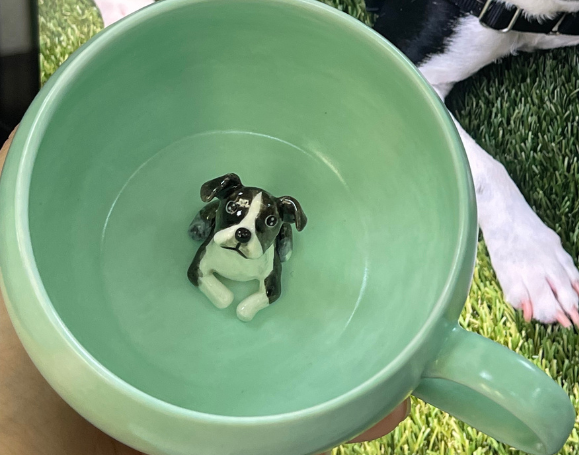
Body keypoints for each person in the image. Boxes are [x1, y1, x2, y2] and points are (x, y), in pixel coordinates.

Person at [0, 131, 408, 455]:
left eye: (263, 223)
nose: (243, 228)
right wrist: (219, 292)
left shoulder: (266, 261)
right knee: (206, 232)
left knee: (276, 252)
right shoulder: (215, 240)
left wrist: (249, 303)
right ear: (224, 202)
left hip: (258, 264)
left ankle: (272, 234)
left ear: (284, 218)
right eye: (235, 213)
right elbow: (197, 270)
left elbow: (270, 290)